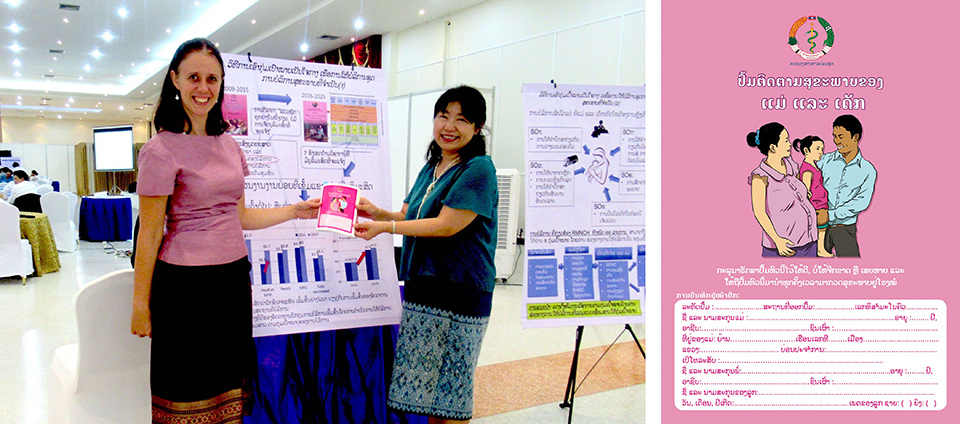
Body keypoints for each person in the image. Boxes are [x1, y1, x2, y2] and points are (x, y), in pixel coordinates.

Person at [131, 38, 320, 423]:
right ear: (175, 80)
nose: (203, 88)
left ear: (221, 84)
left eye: (212, 79)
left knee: (228, 388)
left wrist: (294, 211)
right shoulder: (159, 150)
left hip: (231, 281)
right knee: (185, 389)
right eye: (194, 77)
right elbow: (148, 235)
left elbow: (240, 216)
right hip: (184, 288)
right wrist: (140, 305)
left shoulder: (230, 146)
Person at [354, 85, 498, 423]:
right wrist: (378, 213)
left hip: (461, 290)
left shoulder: (479, 169)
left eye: (461, 120)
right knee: (422, 392)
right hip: (424, 286)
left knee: (452, 391)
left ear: (477, 128)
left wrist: (386, 229)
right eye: (443, 116)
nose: (449, 126)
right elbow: (410, 216)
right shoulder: (431, 167)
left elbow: (446, 225)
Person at [747, 122, 818, 257]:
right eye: (785, 141)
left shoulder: (790, 164)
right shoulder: (760, 177)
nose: (790, 144)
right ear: (773, 147)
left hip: (809, 241)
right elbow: (759, 213)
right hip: (784, 248)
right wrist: (778, 241)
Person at [819, 114, 876, 257]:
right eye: (834, 136)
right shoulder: (823, 161)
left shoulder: (867, 170)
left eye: (841, 136)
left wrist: (830, 215)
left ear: (855, 137)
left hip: (844, 228)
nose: (836, 141)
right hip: (819, 228)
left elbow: (861, 202)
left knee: (852, 266)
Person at [793, 135, 832, 257]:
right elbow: (805, 189)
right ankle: (820, 250)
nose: (821, 152)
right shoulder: (807, 169)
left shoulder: (813, 166)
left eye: (822, 149)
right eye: (817, 149)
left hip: (820, 203)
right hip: (816, 204)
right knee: (821, 228)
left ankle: (820, 249)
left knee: (822, 227)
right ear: (806, 150)